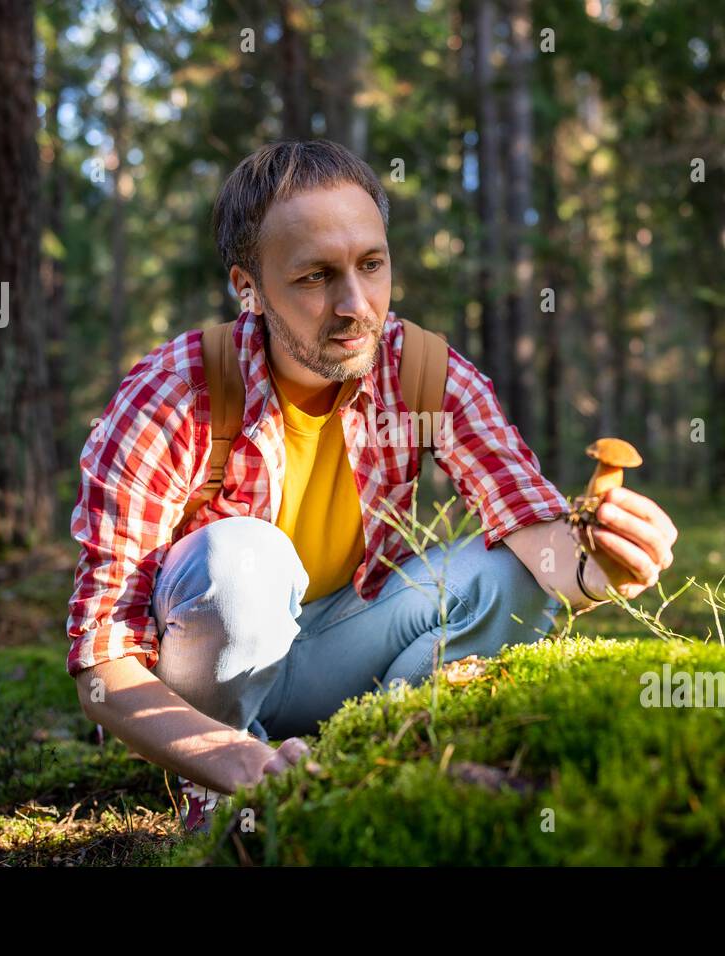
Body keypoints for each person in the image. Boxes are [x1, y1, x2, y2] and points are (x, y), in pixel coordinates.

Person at [67, 140, 678, 818]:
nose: (356, 305)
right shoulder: (175, 394)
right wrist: (228, 756)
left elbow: (533, 530)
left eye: (371, 264)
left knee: (510, 576)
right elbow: (104, 662)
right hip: (207, 679)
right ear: (249, 289)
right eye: (314, 277)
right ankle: (224, 795)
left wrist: (601, 567)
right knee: (241, 559)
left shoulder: (420, 372)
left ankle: (380, 754)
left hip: (340, 645)